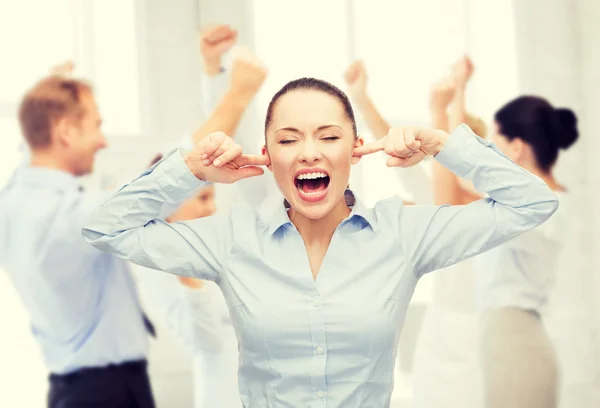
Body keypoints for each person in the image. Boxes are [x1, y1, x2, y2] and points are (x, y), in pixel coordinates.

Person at [83, 77, 559, 407]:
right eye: (289, 140)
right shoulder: (232, 239)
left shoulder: (403, 234)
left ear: (356, 149)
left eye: (328, 136)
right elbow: (103, 227)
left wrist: (441, 145)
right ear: (267, 156)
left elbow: (533, 202)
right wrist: (188, 170)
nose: (310, 151)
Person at [0, 58, 264, 408]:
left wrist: (48, 91)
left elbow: (34, 145)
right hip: (106, 394)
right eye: (96, 125)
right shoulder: (64, 217)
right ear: (65, 132)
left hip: (77, 390)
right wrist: (237, 96)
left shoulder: (16, 198)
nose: (102, 141)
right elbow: (157, 184)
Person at [424, 56, 578, 408]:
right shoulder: (529, 201)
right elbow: (454, 189)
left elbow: (461, 174)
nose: (488, 151)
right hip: (505, 335)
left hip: (515, 338)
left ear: (517, 147)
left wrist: (454, 97)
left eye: (494, 141)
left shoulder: (543, 205)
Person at [411, 56, 485, 408]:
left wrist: (453, 99)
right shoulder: (443, 196)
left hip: (475, 335)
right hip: (440, 330)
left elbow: (455, 173)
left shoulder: (493, 203)